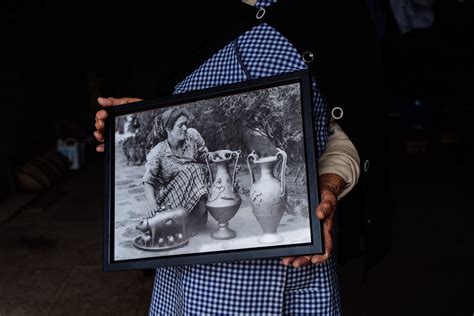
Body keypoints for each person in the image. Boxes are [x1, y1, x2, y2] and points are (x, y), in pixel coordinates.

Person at [94, 0, 369, 314]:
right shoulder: (172, 15)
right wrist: (143, 115)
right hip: (192, 281)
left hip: (292, 273)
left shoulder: (334, 13)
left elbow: (353, 128)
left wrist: (327, 188)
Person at [142, 108, 209, 234]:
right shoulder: (158, 152)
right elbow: (148, 181)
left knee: (201, 169)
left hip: (194, 191)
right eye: (180, 125)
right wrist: (152, 204)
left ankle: (197, 216)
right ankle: (185, 222)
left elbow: (204, 157)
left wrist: (218, 156)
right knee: (192, 168)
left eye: (185, 124)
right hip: (170, 198)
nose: (184, 128)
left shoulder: (192, 136)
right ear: (168, 129)